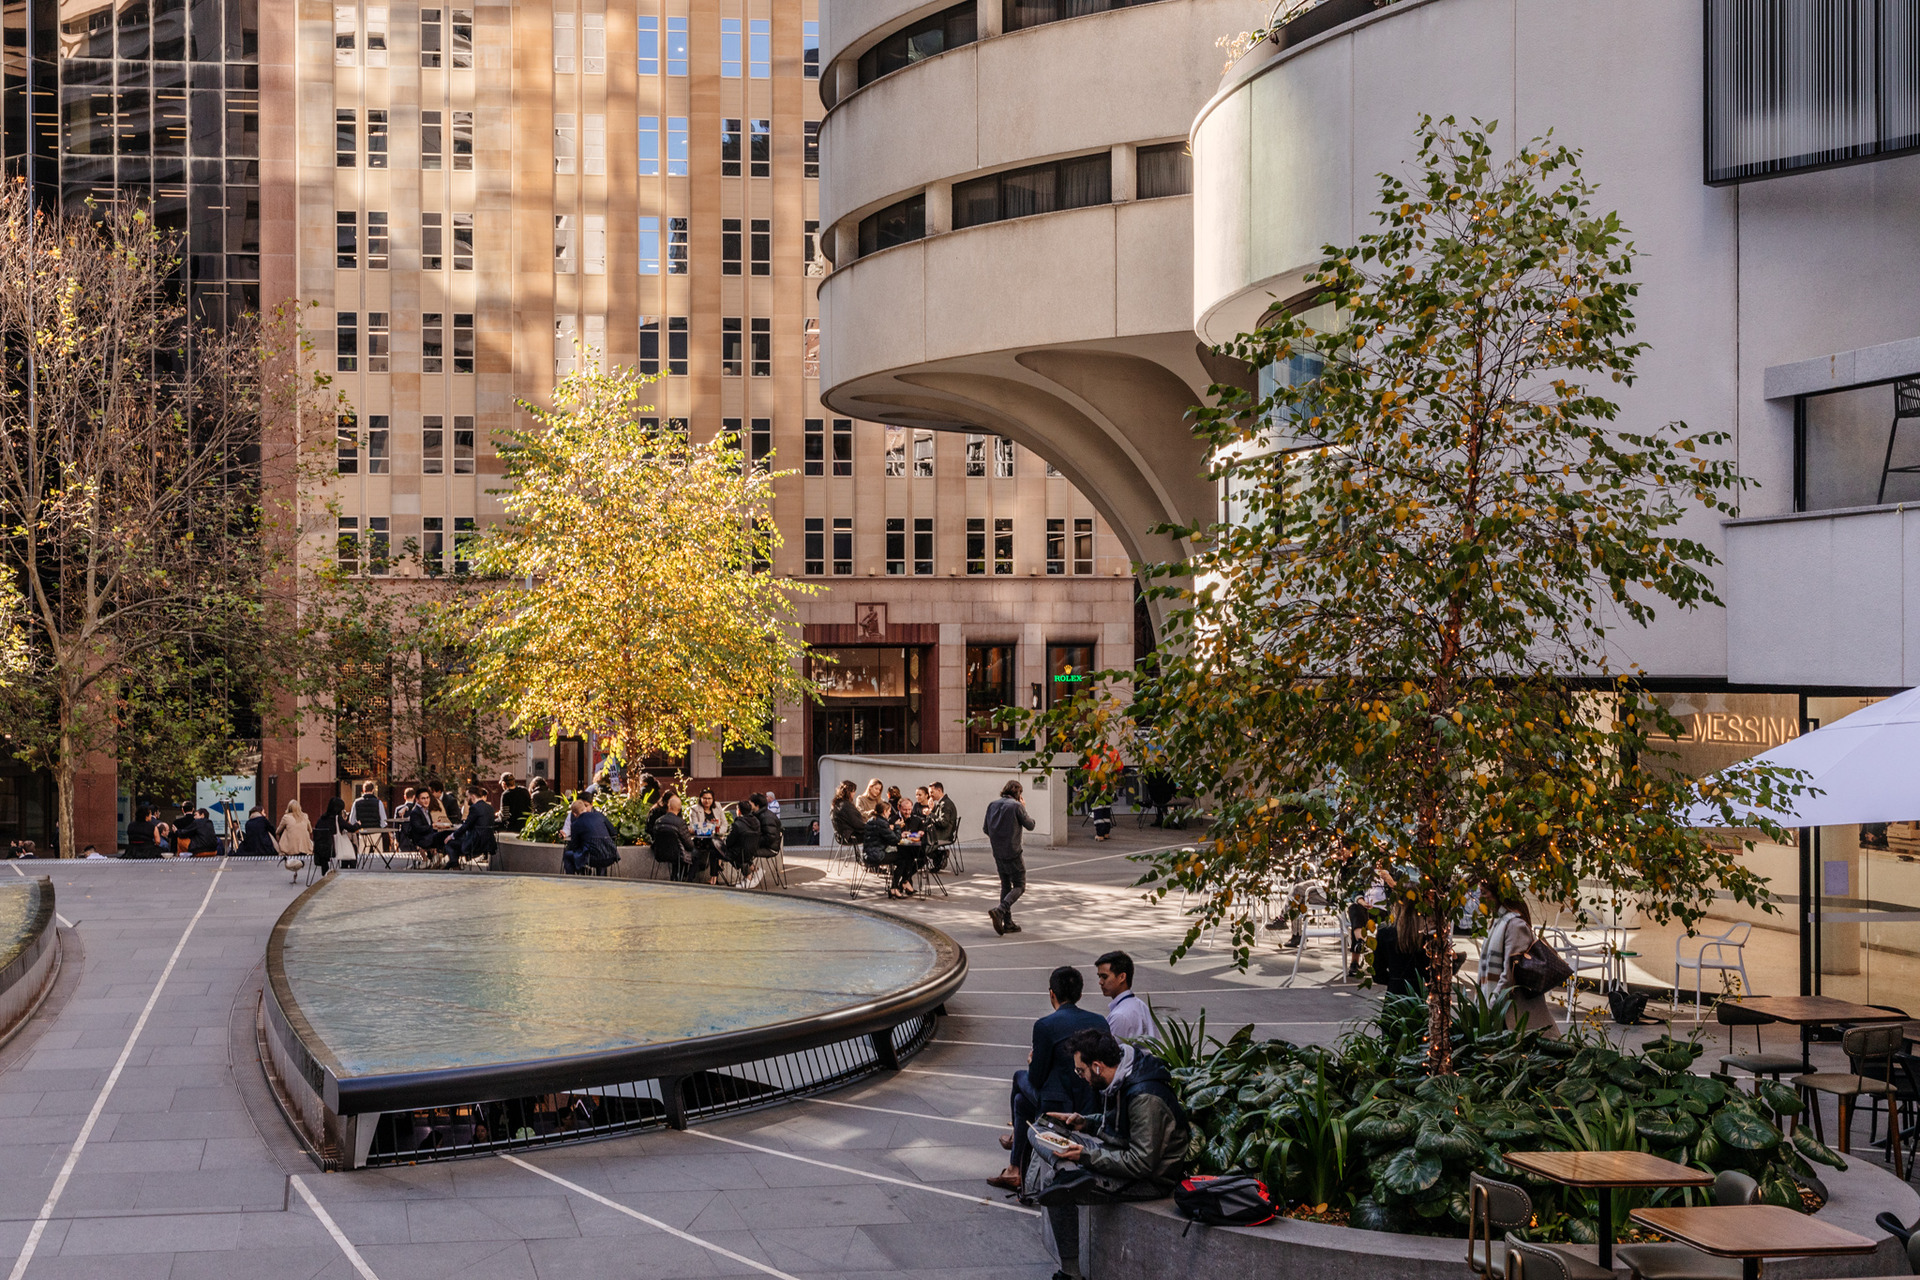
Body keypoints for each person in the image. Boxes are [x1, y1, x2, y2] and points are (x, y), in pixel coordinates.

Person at [1037, 1028, 1192, 1280]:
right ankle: (1068, 1171)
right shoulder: (1121, 1075)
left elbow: (1141, 1163)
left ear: (1097, 1066)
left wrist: (1084, 1156)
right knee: (1043, 1130)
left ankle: (1071, 1275)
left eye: (1081, 1071)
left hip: (1149, 1180)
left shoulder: (1144, 1099)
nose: (1081, 1077)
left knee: (1057, 1191)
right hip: (1119, 1153)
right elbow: (1117, 1124)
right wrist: (1083, 1123)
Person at [989, 966, 1107, 1194]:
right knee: (1022, 1103)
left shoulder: (1045, 1026)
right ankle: (1015, 1167)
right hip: (1090, 1099)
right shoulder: (1099, 1021)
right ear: (1080, 994)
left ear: (1051, 993)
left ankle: (1016, 1141)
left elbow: (1036, 1077)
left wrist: (1033, 1061)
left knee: (1019, 1079)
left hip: (1056, 1104)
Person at [1481, 894, 1560, 1039]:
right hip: (1504, 1011)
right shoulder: (1496, 922)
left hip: (1517, 1011)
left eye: (1484, 892)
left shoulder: (1514, 925)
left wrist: (1492, 1006)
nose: (1480, 897)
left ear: (1498, 894)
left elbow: (1509, 975)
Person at [983, 779, 1035, 935]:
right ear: (1018, 794)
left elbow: (986, 829)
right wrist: (1024, 808)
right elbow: (1030, 825)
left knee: (1005, 885)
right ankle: (1000, 910)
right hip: (1013, 852)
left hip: (997, 852)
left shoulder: (992, 805)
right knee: (1020, 885)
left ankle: (1008, 922)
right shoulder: (1017, 806)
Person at [1373, 897, 1442, 996]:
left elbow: (1378, 975)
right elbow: (1441, 973)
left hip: (1395, 997)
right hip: (1424, 998)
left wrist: (1395, 981)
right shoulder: (1432, 936)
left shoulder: (1385, 932)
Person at [862, 800, 916, 898]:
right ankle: (895, 887)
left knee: (902, 857)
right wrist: (897, 827)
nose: (890, 813)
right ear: (884, 811)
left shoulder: (871, 821)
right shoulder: (882, 823)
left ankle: (898, 886)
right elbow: (895, 840)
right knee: (903, 859)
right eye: (889, 811)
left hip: (868, 854)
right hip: (877, 855)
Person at [1095, 951, 1153, 1042]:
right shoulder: (1139, 1005)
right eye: (1099, 977)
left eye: (1104, 977)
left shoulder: (1120, 1016)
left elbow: (1111, 1053)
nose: (1100, 982)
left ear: (1122, 977)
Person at [568, 797, 622, 876]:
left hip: (591, 859)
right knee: (598, 852)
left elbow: (574, 845)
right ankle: (601, 878)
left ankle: (579, 876)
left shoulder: (576, 824)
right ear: (585, 809)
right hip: (611, 855)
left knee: (569, 855)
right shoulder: (599, 815)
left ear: (574, 814)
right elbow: (613, 832)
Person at [649, 793, 697, 881]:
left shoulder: (658, 821)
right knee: (696, 854)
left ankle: (676, 877)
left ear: (668, 806)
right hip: (677, 855)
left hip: (659, 854)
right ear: (679, 808)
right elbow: (689, 845)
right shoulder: (680, 822)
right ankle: (688, 880)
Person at [447, 784, 496, 866]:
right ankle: (454, 864)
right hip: (488, 843)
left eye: (467, 796)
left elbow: (466, 826)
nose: (466, 799)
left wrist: (452, 835)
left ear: (472, 796)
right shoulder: (490, 808)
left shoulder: (474, 808)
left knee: (449, 843)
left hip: (475, 844)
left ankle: (454, 865)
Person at [687, 789, 728, 876]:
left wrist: (717, 831)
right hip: (702, 840)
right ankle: (721, 862)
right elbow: (695, 826)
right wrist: (710, 830)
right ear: (700, 799)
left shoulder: (717, 806)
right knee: (716, 845)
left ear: (713, 799)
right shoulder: (695, 809)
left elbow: (724, 824)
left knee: (714, 848)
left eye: (709, 798)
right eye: (704, 798)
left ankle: (714, 876)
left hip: (716, 837)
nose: (707, 801)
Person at [722, 797, 762, 883]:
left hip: (740, 854)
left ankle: (749, 877)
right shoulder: (757, 822)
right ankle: (754, 869)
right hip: (753, 852)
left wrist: (723, 840)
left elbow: (729, 842)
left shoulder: (737, 825)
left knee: (719, 851)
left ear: (738, 811)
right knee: (742, 853)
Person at [312, 797, 356, 874]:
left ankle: (325, 871)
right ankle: (345, 869)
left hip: (319, 850)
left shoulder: (321, 818)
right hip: (333, 850)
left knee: (326, 846)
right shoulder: (337, 818)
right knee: (352, 847)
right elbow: (351, 828)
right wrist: (358, 824)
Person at [749, 792, 783, 889]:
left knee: (743, 850)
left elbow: (770, 837)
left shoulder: (766, 817)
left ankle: (753, 873)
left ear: (757, 805)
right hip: (765, 845)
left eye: (750, 803)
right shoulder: (759, 815)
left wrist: (754, 842)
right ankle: (751, 873)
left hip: (770, 848)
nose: (749, 805)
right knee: (739, 849)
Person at [924, 781, 959, 870]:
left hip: (944, 834)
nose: (930, 795)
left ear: (939, 790)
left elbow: (943, 823)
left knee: (923, 840)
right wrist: (932, 809)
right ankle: (938, 856)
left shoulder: (945, 804)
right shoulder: (942, 802)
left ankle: (939, 856)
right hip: (942, 832)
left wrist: (930, 814)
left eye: (932, 792)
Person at [276, 800, 313, 866]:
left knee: (285, 830)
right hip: (305, 849)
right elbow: (310, 830)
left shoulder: (286, 817)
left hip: (290, 849)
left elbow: (278, 831)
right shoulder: (305, 816)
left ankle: (286, 848)